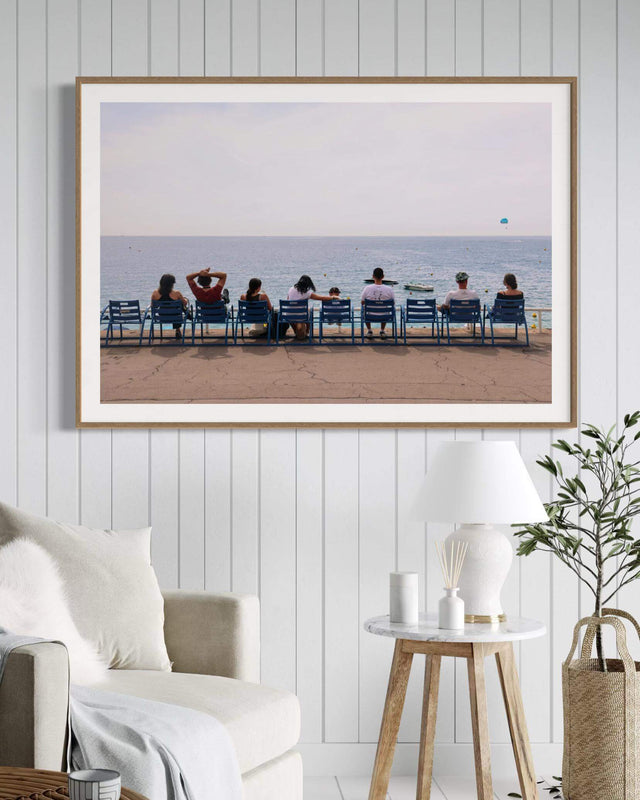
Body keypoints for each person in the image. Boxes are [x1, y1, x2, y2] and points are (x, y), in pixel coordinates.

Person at [286, 275, 334, 340]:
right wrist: (333, 297)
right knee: (310, 313)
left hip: (289, 315)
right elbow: (321, 298)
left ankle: (296, 331)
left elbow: (288, 300)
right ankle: (307, 331)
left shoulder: (291, 289)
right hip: (301, 316)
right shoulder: (307, 293)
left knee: (298, 314)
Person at [151, 273, 188, 339]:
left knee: (172, 310)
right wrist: (185, 300)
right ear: (172, 284)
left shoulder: (155, 293)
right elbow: (185, 303)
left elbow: (152, 306)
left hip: (161, 317)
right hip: (175, 318)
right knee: (176, 310)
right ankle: (177, 330)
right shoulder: (177, 293)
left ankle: (177, 330)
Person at [361, 267, 395, 339]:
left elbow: (362, 302)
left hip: (369, 316)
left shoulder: (367, 288)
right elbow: (393, 303)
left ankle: (369, 331)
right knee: (385, 308)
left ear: (373, 276)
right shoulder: (389, 289)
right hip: (384, 316)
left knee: (364, 309)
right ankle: (382, 331)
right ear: (383, 276)